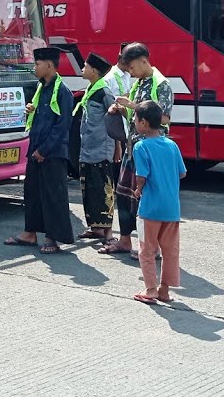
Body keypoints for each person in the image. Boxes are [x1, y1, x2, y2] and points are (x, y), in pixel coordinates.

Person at [100, 42, 173, 258]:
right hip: (133, 148)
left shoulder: (161, 84)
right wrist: (122, 109)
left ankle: (153, 246)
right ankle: (124, 241)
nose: (129, 72)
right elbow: (136, 117)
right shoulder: (139, 83)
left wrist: (133, 106)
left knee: (147, 199)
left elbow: (165, 118)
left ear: (143, 61)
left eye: (131, 67)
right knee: (124, 196)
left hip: (151, 152)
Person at [4, 47, 76, 253]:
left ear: (49, 65)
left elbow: (62, 126)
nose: (34, 68)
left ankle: (53, 238)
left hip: (52, 154)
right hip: (35, 150)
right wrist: (31, 110)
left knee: (54, 195)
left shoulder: (63, 92)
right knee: (32, 192)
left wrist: (44, 150)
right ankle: (30, 233)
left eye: (37, 64)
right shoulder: (41, 87)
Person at [129, 100, 187, 305]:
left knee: (147, 249)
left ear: (143, 122)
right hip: (172, 208)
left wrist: (138, 190)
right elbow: (182, 173)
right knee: (170, 250)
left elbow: (141, 175)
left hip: (150, 207)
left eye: (135, 119)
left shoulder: (141, 146)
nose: (134, 122)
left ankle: (150, 289)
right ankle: (164, 290)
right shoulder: (172, 144)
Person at [74, 53, 117, 242]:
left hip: (101, 149)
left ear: (94, 70)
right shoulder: (91, 89)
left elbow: (115, 121)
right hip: (87, 148)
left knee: (103, 189)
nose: (82, 69)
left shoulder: (104, 93)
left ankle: (108, 233)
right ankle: (96, 228)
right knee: (89, 188)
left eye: (85, 66)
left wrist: (117, 147)